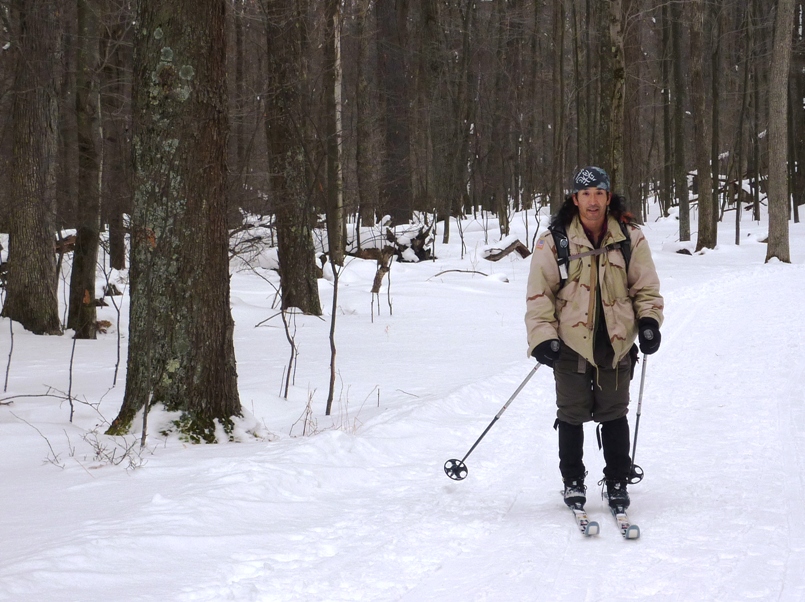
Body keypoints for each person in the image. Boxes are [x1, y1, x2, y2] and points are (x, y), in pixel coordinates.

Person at [524, 166, 664, 512]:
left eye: (599, 193)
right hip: (570, 343)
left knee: (614, 412)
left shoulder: (630, 237)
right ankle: (573, 481)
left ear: (608, 197)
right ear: (575, 199)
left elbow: (645, 287)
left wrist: (649, 321)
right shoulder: (554, 240)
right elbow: (539, 293)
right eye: (585, 194)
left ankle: (617, 479)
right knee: (571, 414)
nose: (592, 201)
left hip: (615, 343)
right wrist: (542, 337)